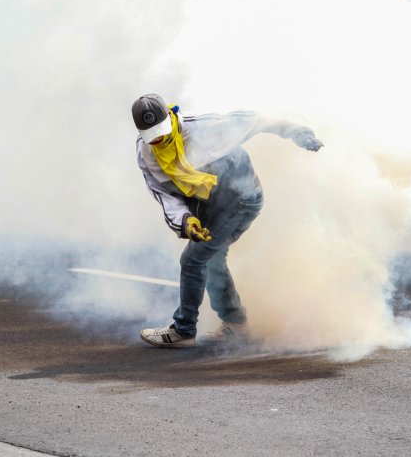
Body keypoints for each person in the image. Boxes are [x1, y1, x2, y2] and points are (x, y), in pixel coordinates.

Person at [132, 93, 323, 348]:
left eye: (162, 131)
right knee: (212, 261)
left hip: (242, 200)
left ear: (171, 117)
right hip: (208, 208)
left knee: (193, 259)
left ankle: (184, 329)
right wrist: (186, 222)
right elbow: (165, 196)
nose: (158, 139)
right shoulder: (146, 154)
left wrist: (301, 133)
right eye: (152, 136)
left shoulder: (205, 128)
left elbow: (259, 120)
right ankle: (236, 325)